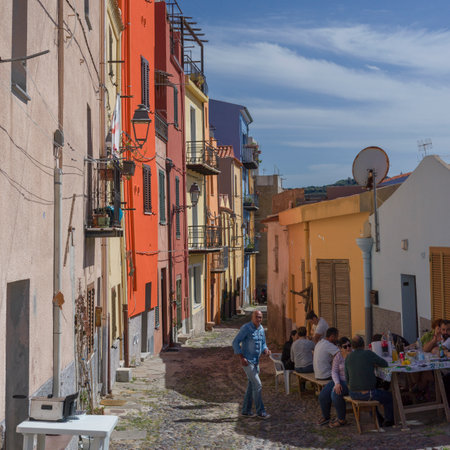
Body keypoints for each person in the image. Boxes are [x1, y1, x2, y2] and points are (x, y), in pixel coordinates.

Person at [345, 335, 394, 427]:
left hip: (353, 393)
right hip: (368, 393)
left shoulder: (348, 357)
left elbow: (347, 378)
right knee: (389, 397)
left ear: (352, 346)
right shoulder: (368, 354)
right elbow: (384, 363)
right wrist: (373, 364)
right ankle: (389, 421)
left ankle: (379, 420)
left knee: (372, 395)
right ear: (363, 345)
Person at [232, 310, 271, 419]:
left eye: (260, 317)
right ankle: (261, 412)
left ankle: (245, 410)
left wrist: (266, 350)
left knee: (251, 385)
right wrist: (241, 357)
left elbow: (263, 344)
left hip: (256, 362)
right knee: (258, 385)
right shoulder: (246, 328)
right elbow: (235, 342)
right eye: (257, 317)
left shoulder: (262, 329)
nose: (259, 319)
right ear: (252, 318)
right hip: (247, 361)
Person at [318, 337, 352, 427]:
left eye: (349, 345)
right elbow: (334, 371)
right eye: (345, 347)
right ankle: (326, 416)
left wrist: (338, 385)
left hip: (348, 382)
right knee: (323, 395)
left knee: (336, 393)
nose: (348, 348)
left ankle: (341, 419)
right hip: (338, 380)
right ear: (340, 348)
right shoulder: (338, 356)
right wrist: (337, 383)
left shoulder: (353, 356)